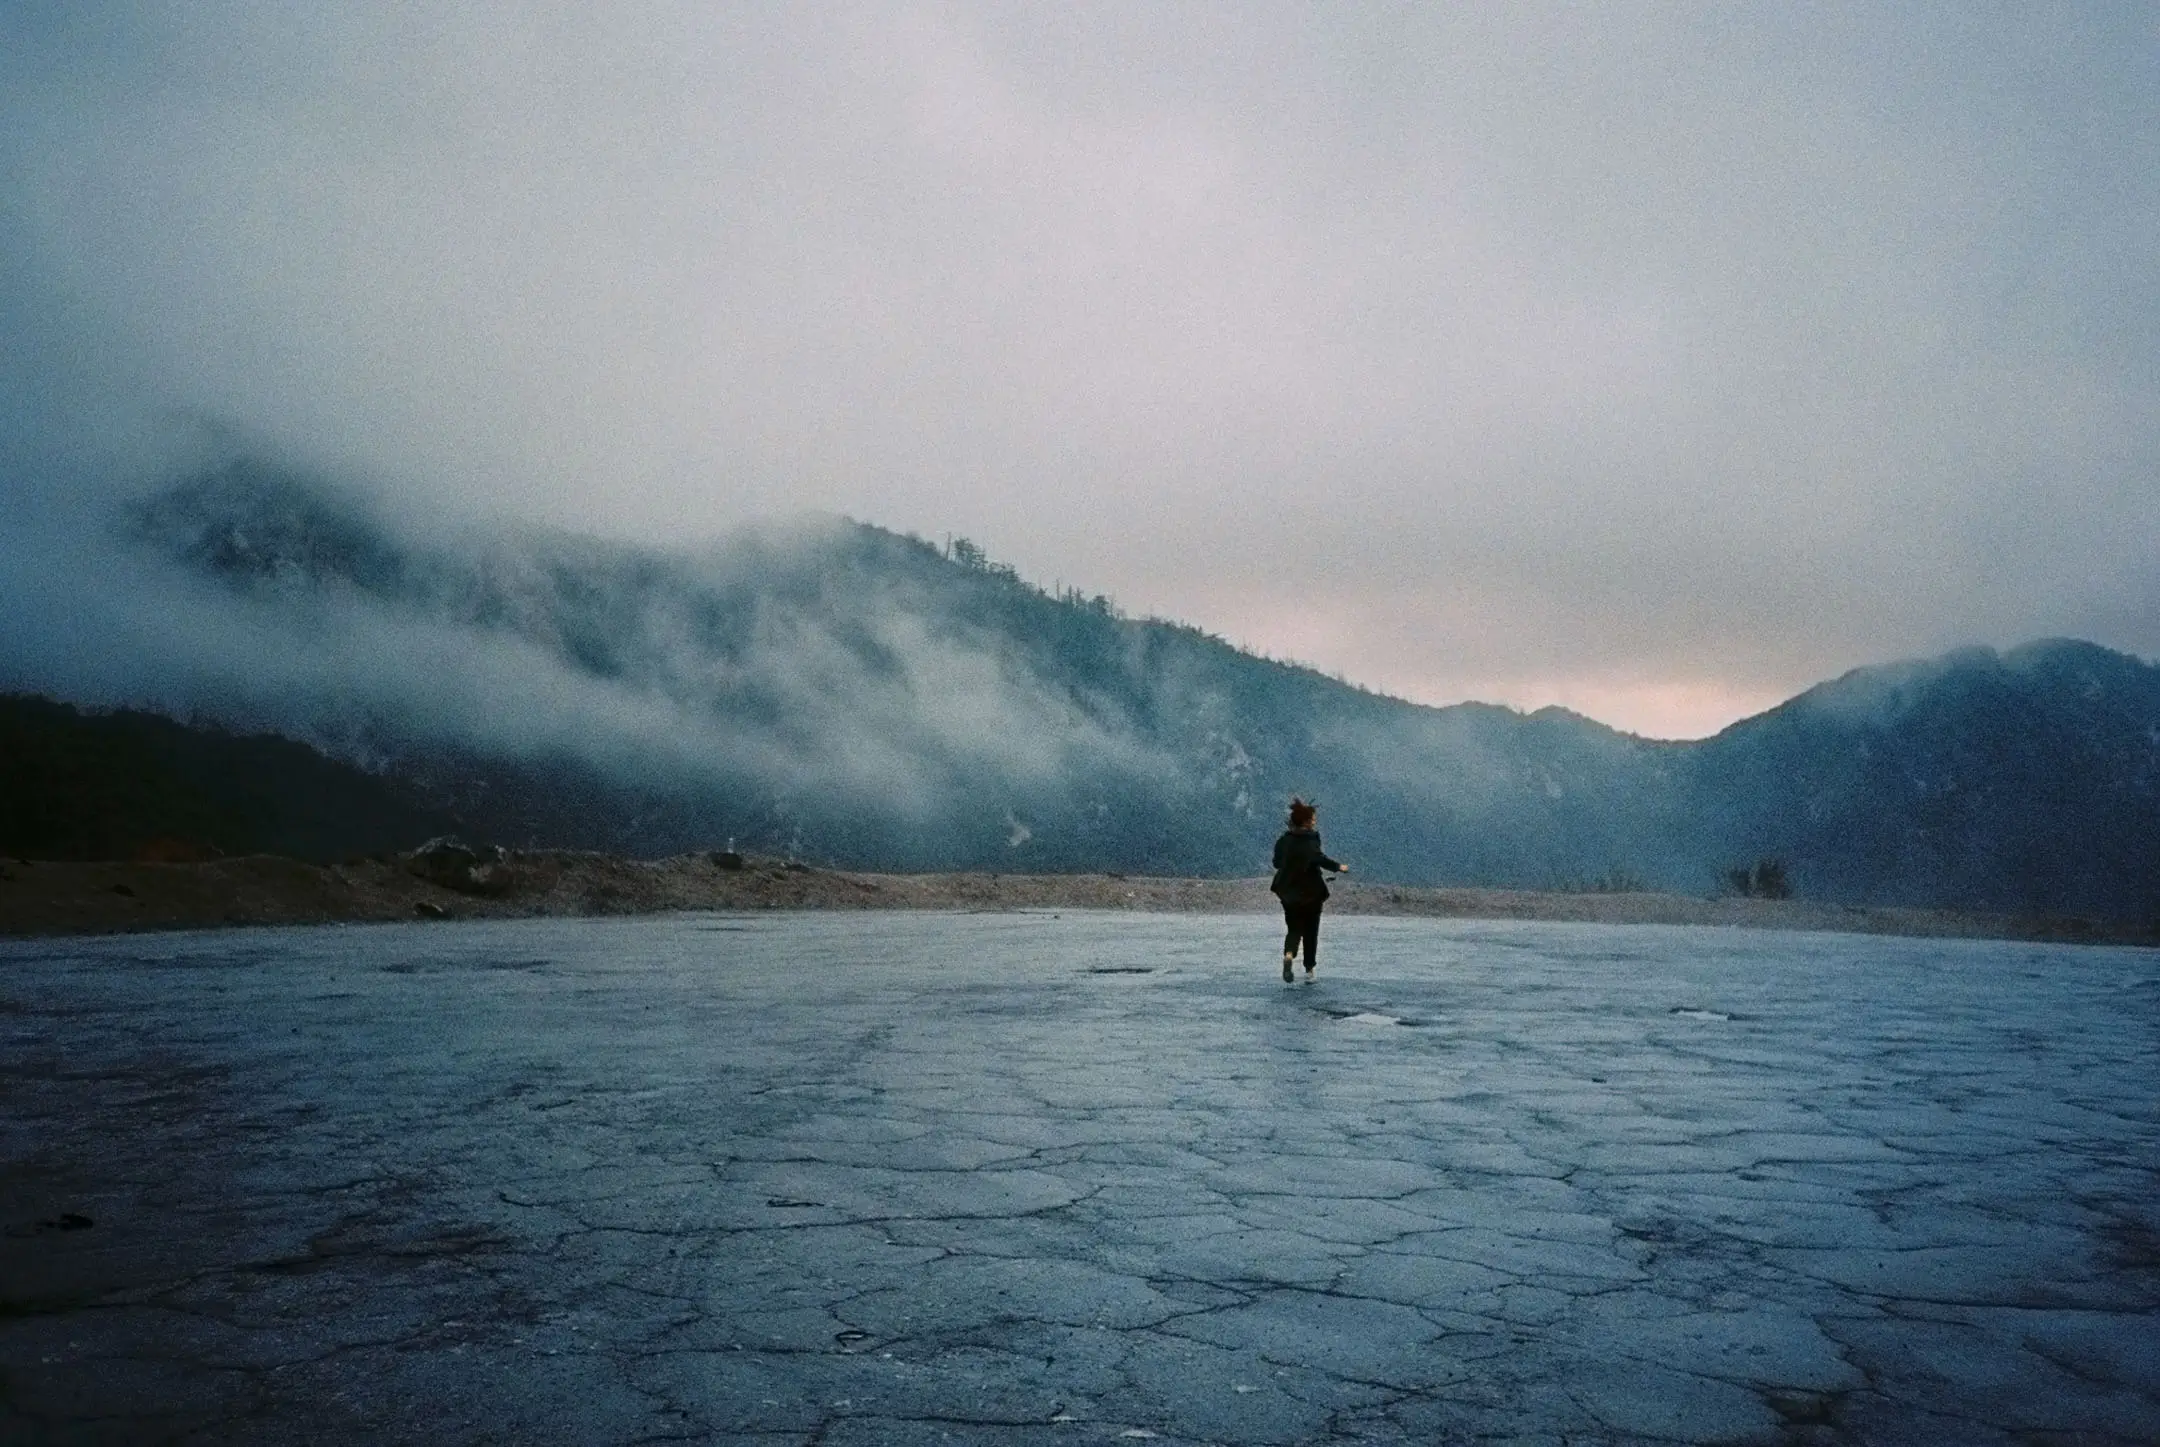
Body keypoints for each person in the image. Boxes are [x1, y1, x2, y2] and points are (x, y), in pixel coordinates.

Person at [1270, 797, 1346, 982]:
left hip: (1288, 891)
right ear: (1305, 821)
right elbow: (1319, 859)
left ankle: (1289, 955)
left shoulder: (1284, 840)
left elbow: (1276, 862)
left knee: (1294, 928)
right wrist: (1339, 867)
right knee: (1311, 930)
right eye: (1313, 818)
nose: (1315, 820)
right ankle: (1309, 969)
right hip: (1311, 892)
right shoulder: (1311, 840)